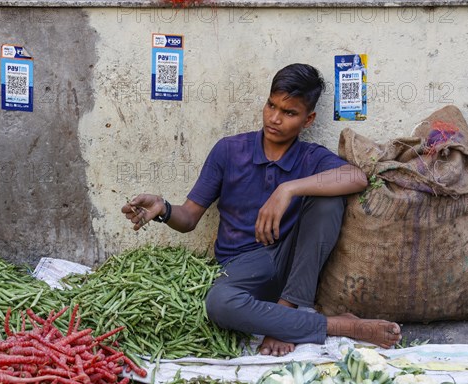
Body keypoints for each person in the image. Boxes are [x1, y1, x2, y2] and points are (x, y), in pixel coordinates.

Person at [121, 63, 401, 357]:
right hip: (242, 268)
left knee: (328, 198)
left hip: (295, 270)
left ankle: (286, 312)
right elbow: (189, 217)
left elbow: (356, 178)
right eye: (271, 106)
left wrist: (288, 188)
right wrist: (164, 208)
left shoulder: (311, 157)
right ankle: (337, 326)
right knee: (219, 304)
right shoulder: (229, 151)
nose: (275, 118)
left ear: (309, 119)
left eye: (289, 113)